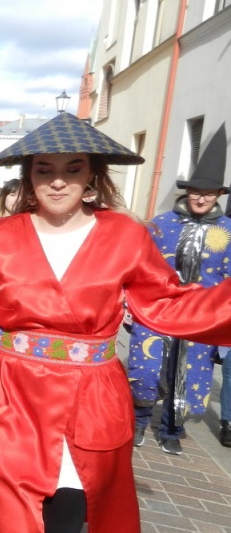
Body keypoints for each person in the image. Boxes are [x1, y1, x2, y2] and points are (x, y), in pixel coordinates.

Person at [0, 112, 231, 533]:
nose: (57, 181)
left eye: (73, 168)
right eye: (44, 169)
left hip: (94, 400)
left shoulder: (126, 236)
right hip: (12, 401)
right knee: (13, 519)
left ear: (93, 175)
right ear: (29, 177)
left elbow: (170, 305)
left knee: (72, 513)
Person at [128, 123, 231, 454]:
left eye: (209, 193)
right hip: (159, 309)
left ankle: (172, 427)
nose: (202, 198)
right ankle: (139, 421)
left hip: (202, 316)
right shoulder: (161, 224)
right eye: (196, 191)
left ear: (218, 196)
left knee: (192, 372)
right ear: (187, 192)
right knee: (146, 368)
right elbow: (140, 264)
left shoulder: (228, 230)